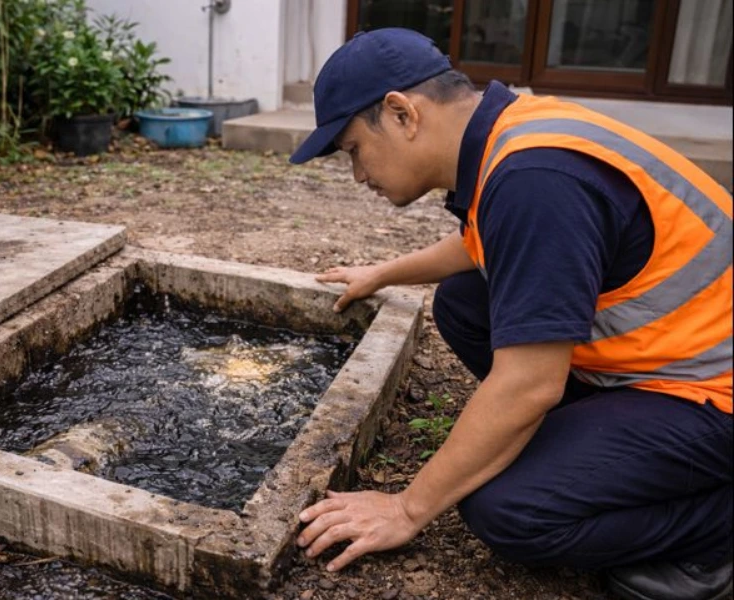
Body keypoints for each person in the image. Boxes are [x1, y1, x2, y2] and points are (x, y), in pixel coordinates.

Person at [289, 28, 732, 600]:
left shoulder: (535, 180)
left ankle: (715, 529)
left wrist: (407, 507)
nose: (357, 174)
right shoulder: (514, 131)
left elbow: (529, 385)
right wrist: (384, 272)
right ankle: (606, 442)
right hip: (683, 355)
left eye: (353, 150)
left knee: (508, 509)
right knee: (463, 301)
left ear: (401, 114)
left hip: (712, 394)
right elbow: (488, 243)